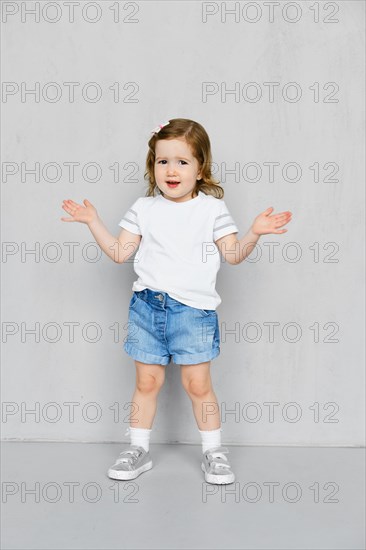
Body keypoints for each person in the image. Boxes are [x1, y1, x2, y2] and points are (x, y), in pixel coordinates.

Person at [61, 118, 292, 485]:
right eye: (162, 161)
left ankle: (214, 452)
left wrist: (255, 233)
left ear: (200, 168)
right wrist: (93, 221)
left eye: (182, 162)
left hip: (193, 313)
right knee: (146, 383)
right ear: (153, 166)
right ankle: (137, 449)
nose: (171, 170)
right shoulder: (144, 208)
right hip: (147, 308)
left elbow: (232, 255)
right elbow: (121, 252)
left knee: (198, 385)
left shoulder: (212, 210)